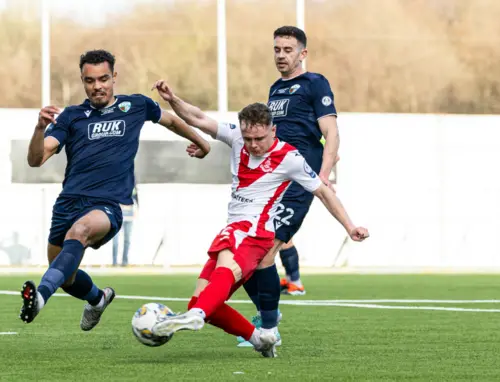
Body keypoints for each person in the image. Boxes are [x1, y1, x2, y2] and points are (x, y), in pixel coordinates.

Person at [150, 80, 368, 358]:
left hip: (255, 233)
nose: (252, 145)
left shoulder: (290, 158)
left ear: (273, 130)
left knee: (215, 286)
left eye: (259, 139)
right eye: (248, 138)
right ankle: (259, 338)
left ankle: (196, 315)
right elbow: (198, 118)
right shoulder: (237, 138)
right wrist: (173, 99)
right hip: (233, 228)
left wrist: (350, 227)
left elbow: (324, 192)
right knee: (203, 299)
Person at [19, 50, 211, 330]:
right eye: (90, 80)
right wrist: (39, 129)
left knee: (80, 233)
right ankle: (98, 298)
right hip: (67, 203)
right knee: (65, 275)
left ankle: (40, 297)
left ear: (114, 78)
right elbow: (36, 159)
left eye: (103, 79)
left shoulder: (136, 106)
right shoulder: (72, 116)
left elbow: (171, 120)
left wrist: (203, 143)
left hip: (107, 205)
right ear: (83, 81)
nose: (97, 86)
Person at [237, 25, 343, 348]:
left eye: (288, 50)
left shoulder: (315, 84)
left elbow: (332, 134)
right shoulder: (274, 90)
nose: (281, 55)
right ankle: (268, 315)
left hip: (299, 180)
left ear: (302, 53)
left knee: (267, 251)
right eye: (277, 50)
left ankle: (269, 327)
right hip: (271, 182)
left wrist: (322, 176)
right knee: (243, 252)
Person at [112, 184, 138, 267]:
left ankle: (125, 261)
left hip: (129, 217)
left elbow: (136, 201)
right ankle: (114, 262)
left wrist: (136, 212)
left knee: (127, 241)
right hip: (118, 218)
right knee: (115, 241)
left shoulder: (133, 187)